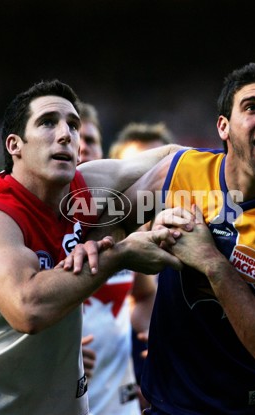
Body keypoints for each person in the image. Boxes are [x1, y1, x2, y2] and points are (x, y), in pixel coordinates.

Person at [0, 79, 184, 415]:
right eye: (47, 123)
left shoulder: (85, 191)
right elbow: (28, 310)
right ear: (15, 145)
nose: (65, 134)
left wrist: (235, 175)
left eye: (73, 124)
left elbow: (173, 161)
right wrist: (120, 254)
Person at [69, 62, 255, 414]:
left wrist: (213, 264)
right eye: (251, 107)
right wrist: (128, 249)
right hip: (177, 408)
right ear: (224, 127)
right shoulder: (180, 173)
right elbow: (94, 235)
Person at [81, 121, 175, 415]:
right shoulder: (53, 233)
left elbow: (144, 297)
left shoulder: (192, 237)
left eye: (159, 170)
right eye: (140, 168)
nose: (152, 180)